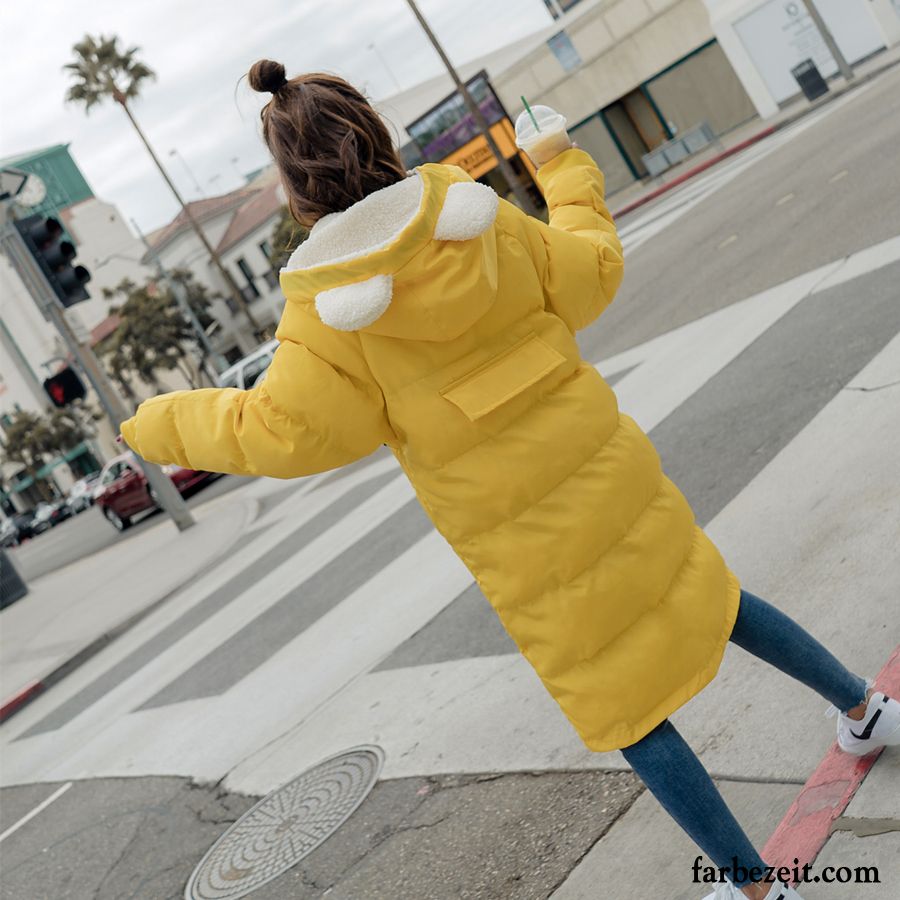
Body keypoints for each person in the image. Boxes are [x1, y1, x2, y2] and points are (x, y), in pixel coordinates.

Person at [118, 61, 900, 900]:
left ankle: (752, 885)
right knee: (713, 596)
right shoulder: (479, 219)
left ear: (294, 185)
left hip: (525, 544)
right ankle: (866, 709)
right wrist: (559, 162)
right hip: (609, 471)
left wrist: (153, 423)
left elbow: (278, 429)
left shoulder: (327, 311)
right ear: (375, 134)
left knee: (628, 706)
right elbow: (591, 270)